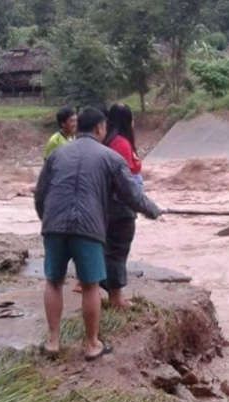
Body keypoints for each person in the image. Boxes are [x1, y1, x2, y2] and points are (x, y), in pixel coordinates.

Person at [35, 107, 161, 360]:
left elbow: (40, 193)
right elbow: (131, 195)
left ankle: (53, 341)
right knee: (91, 285)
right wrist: (153, 210)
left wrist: (46, 219)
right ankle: (92, 344)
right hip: (88, 227)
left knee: (54, 281)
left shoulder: (57, 154)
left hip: (54, 225)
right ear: (99, 128)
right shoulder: (110, 157)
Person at [101, 103, 143, 309]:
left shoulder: (112, 140)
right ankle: (116, 298)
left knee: (110, 249)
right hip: (121, 205)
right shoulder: (121, 144)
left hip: (113, 204)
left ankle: (112, 293)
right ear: (127, 120)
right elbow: (123, 180)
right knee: (118, 249)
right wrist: (145, 206)